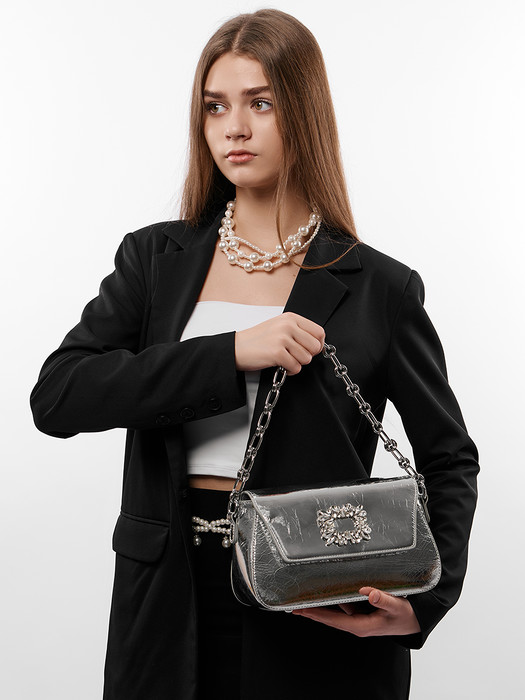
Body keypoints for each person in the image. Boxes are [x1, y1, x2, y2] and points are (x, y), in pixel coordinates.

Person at [30, 9, 479, 700]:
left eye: (260, 103)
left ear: (303, 112)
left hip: (318, 602)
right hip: (166, 600)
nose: (233, 128)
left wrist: (426, 599)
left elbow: (448, 458)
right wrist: (232, 352)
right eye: (215, 106)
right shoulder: (154, 258)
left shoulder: (380, 287)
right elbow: (59, 396)